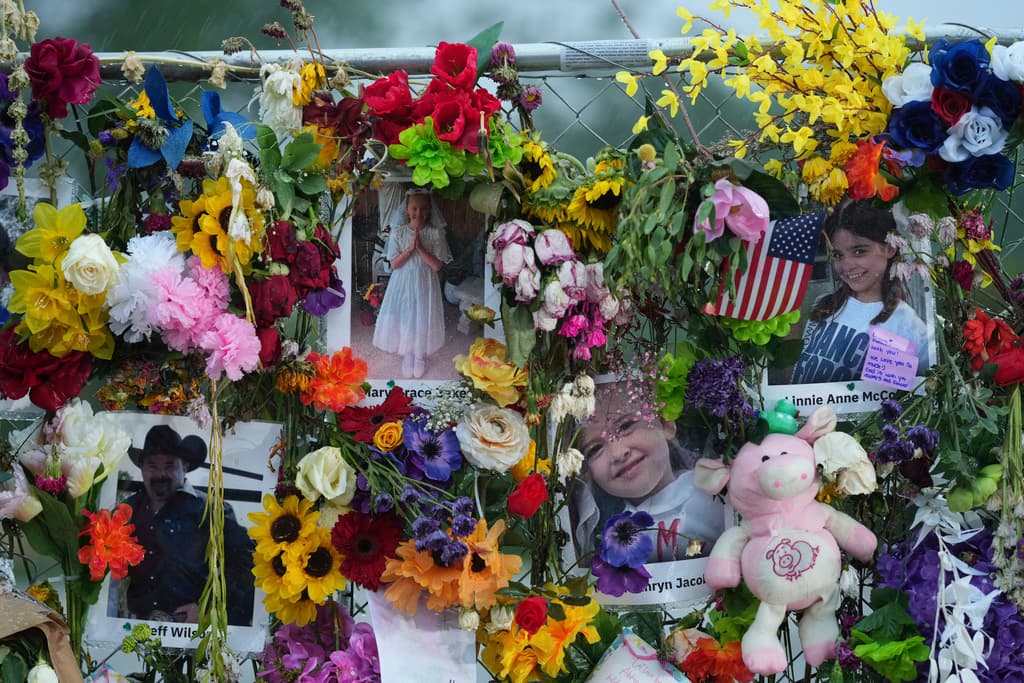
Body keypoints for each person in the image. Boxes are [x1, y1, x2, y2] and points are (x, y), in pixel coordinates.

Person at [569, 383, 726, 564]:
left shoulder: (715, 495)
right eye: (595, 449)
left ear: (665, 424)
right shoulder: (603, 536)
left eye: (626, 425)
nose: (619, 453)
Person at [124, 424, 255, 625]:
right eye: (152, 465)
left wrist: (208, 606)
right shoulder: (127, 510)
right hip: (135, 631)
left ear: (184, 466)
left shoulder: (212, 509)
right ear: (142, 468)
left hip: (192, 633)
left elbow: (247, 563)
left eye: (169, 465)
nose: (160, 474)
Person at [792, 201, 930, 384]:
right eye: (838, 255)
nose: (846, 266)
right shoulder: (823, 304)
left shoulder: (906, 328)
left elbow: (891, 402)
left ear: (889, 248)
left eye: (859, 251)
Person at [372, 187, 453, 379]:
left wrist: (421, 248)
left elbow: (436, 266)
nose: (419, 213)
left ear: (430, 210)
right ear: (407, 209)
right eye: (414, 208)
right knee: (406, 315)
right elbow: (394, 263)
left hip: (425, 282)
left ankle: (419, 355)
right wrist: (410, 249)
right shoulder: (398, 232)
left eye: (424, 208)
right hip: (403, 281)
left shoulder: (435, 233)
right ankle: (407, 354)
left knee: (422, 315)